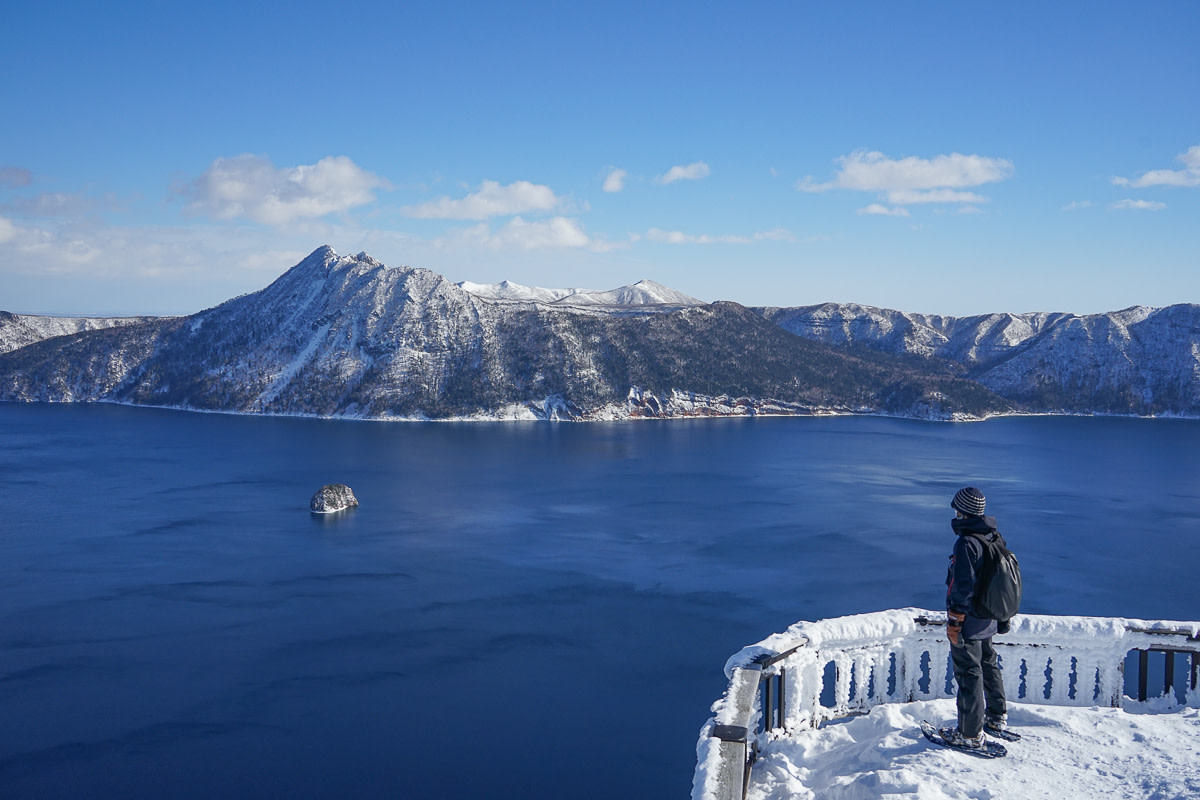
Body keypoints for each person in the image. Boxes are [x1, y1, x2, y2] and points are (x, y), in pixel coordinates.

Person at [944, 486, 1008, 748]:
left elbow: (962, 586)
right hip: (989, 618)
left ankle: (969, 734)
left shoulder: (967, 543)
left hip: (969, 620)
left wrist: (955, 620)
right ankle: (996, 717)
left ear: (963, 511)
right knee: (989, 664)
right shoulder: (993, 537)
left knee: (969, 672)